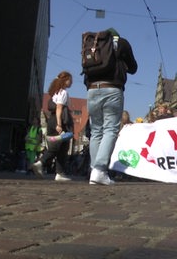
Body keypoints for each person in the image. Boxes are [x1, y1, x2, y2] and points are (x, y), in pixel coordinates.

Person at [85, 28, 138, 185]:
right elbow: (134, 67)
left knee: (96, 131)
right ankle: (100, 170)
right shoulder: (121, 43)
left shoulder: (93, 45)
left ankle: (94, 170)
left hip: (92, 90)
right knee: (110, 129)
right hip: (112, 89)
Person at [32, 71, 74, 181]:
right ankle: (41, 163)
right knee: (56, 148)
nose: (72, 82)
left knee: (62, 147)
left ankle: (60, 173)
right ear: (65, 80)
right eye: (70, 80)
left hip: (51, 120)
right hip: (59, 122)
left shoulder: (54, 93)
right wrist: (59, 124)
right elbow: (59, 108)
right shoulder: (63, 92)